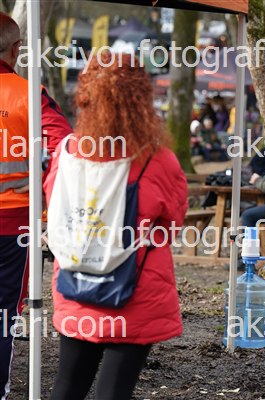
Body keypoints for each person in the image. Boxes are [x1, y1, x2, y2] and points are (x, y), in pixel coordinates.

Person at [44, 52, 188, 400]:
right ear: (141, 97)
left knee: (66, 388)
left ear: (85, 96)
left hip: (77, 285)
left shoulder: (66, 151)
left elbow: (53, 202)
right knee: (113, 393)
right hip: (134, 292)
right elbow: (173, 222)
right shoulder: (157, 159)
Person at [0, 12, 72, 399]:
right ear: (16, 49)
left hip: (15, 224)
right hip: (14, 226)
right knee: (3, 311)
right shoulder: (28, 95)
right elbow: (65, 147)